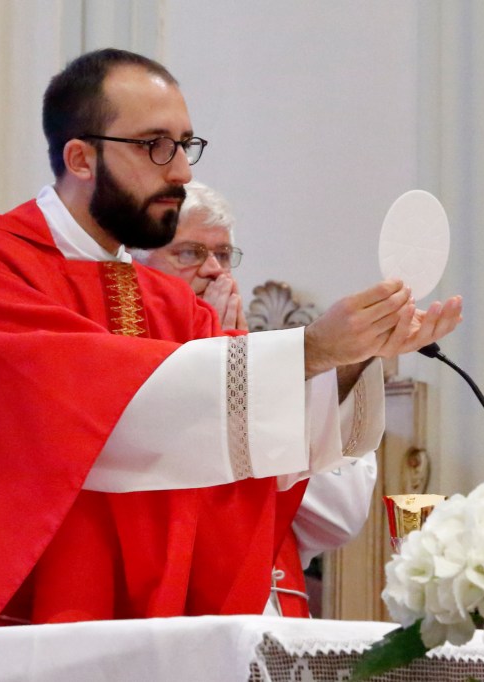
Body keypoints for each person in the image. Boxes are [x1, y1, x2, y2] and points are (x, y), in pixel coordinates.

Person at [0, 48, 463, 633]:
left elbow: (249, 460)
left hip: (143, 632)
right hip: (11, 631)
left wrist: (354, 357)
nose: (181, 170)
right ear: (81, 158)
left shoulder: (169, 304)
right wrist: (314, 349)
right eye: (155, 145)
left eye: (186, 145)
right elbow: (100, 414)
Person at [135, 181, 378, 617]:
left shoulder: (272, 368)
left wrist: (246, 374)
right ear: (135, 267)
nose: (214, 270)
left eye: (223, 255)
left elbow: (341, 517)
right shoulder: (125, 374)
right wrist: (209, 367)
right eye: (189, 253)